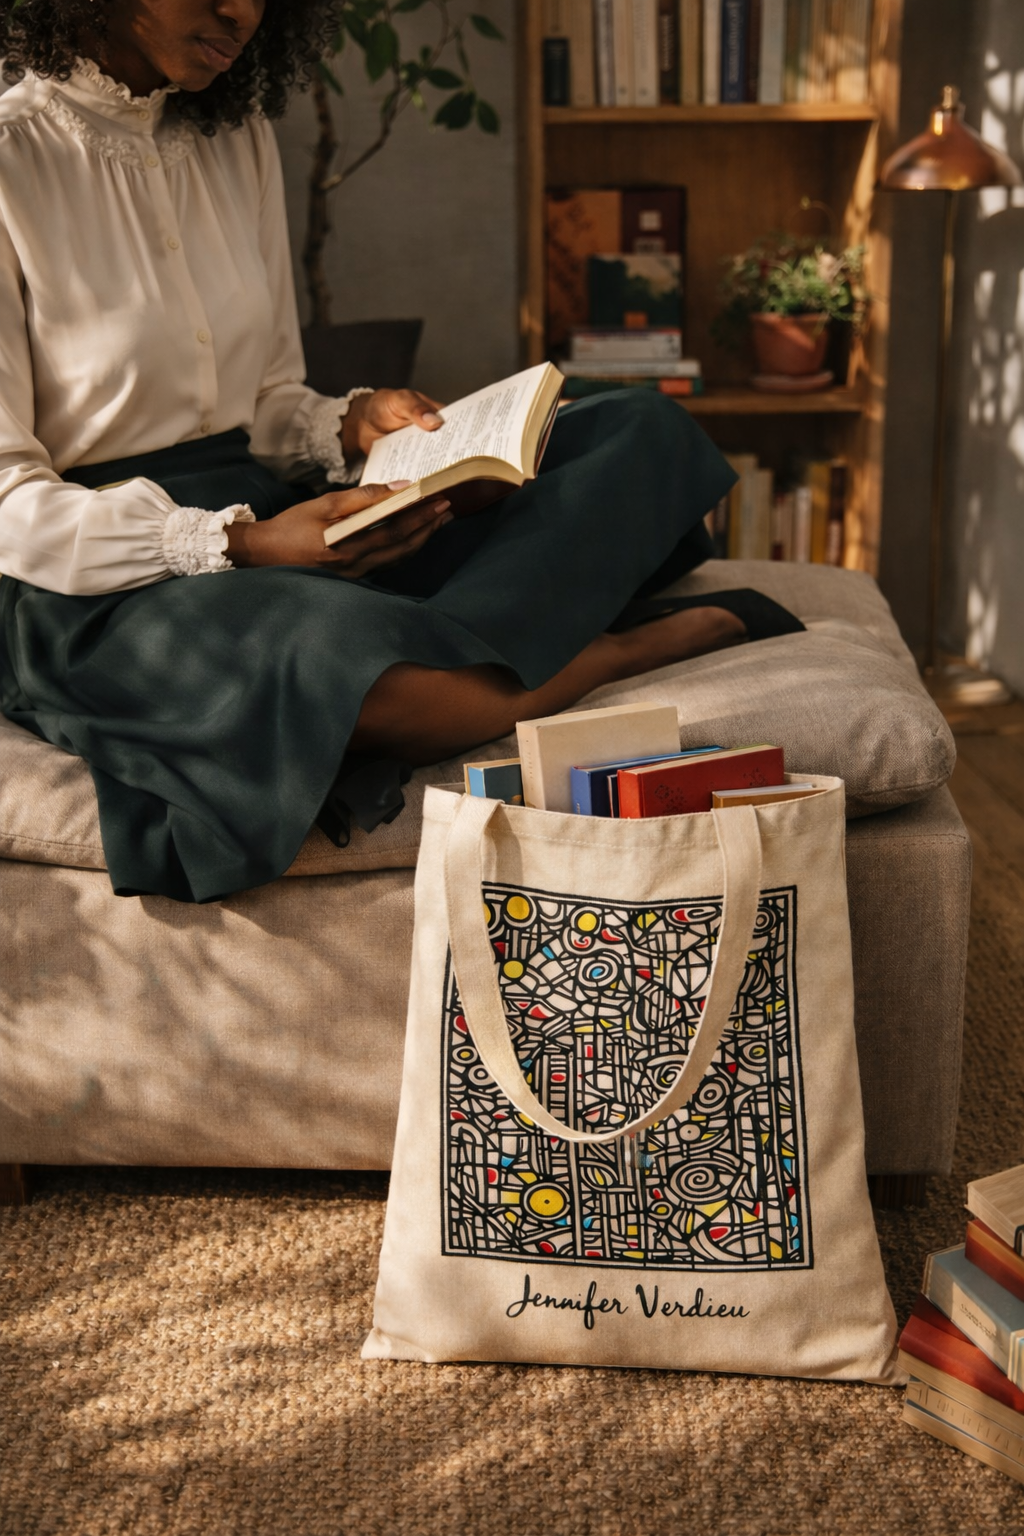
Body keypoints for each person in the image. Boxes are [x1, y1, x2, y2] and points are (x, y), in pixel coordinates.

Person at [0, 0, 801, 903]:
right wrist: (240, 545)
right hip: (103, 577)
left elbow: (267, 403)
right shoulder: (9, 162)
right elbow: (7, 504)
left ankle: (453, 622)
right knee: (367, 677)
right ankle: (612, 651)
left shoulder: (236, 136)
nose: (242, 11)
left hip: (271, 507)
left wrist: (353, 425)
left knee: (636, 427)